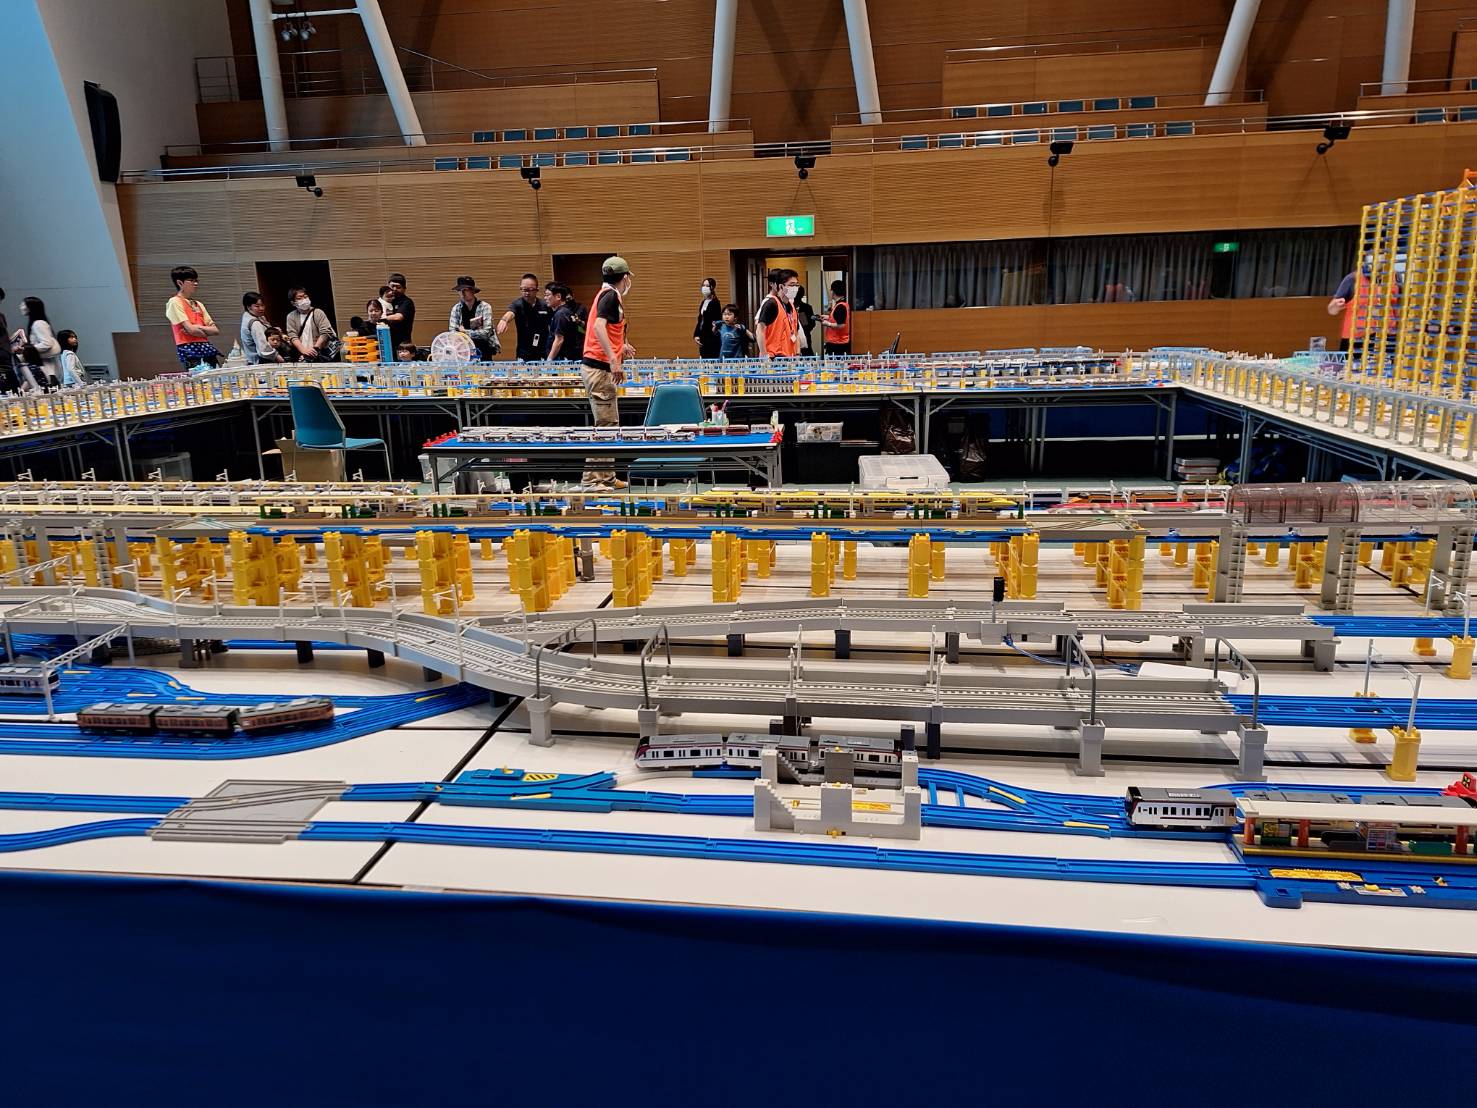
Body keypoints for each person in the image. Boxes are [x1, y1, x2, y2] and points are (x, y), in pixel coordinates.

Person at [580, 256, 635, 491]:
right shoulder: (610, 296)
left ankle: (608, 477)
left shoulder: (607, 295)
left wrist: (621, 346)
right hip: (600, 368)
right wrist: (614, 359)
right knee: (605, 426)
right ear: (625, 278)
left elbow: (607, 330)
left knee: (610, 424)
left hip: (598, 367)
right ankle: (592, 481)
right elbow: (598, 326)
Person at [1329, 265, 1396, 354]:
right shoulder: (1352, 279)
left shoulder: (1395, 278)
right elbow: (1331, 309)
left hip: (1387, 338)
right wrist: (1335, 306)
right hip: (1356, 340)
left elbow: (1398, 308)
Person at [165, 266, 221, 369]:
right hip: (189, 350)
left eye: (196, 280)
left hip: (206, 348)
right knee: (201, 378)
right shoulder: (174, 302)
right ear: (180, 283)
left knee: (217, 376)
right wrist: (203, 330)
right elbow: (191, 330)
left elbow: (215, 330)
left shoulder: (198, 304)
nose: (195, 284)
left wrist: (197, 328)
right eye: (191, 280)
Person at [497, 273, 553, 361]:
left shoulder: (545, 305)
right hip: (524, 351)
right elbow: (510, 312)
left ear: (537, 290)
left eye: (530, 290)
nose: (527, 293)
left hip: (543, 350)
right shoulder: (518, 304)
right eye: (524, 289)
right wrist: (504, 320)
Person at [15, 296, 63, 383]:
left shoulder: (38, 324)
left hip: (47, 370)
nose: (20, 306)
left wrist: (27, 349)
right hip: (48, 369)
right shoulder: (39, 323)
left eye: (23, 304)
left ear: (30, 307)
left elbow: (47, 343)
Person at [449, 276, 498, 361]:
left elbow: (486, 333)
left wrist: (465, 332)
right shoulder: (456, 308)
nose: (462, 293)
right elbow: (452, 332)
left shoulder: (485, 307)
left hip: (483, 349)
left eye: (465, 290)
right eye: (459, 290)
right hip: (463, 350)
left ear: (473, 291)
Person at [755, 268, 800, 360]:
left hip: (789, 356)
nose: (795, 288)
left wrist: (798, 354)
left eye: (796, 285)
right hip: (773, 357)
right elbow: (759, 330)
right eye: (792, 285)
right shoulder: (771, 304)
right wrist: (764, 355)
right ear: (781, 286)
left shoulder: (792, 306)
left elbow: (796, 332)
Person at [284, 287, 338, 362]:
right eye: (299, 298)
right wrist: (304, 351)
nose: (304, 299)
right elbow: (292, 335)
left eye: (305, 296)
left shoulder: (318, 313)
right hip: (301, 355)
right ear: (293, 303)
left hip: (319, 353)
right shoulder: (291, 316)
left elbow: (325, 332)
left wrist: (314, 350)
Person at [544, 282, 585, 362]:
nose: (545, 298)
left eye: (547, 295)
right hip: (569, 357)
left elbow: (559, 340)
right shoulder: (567, 311)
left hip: (563, 360)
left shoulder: (560, 314)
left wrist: (549, 361)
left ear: (558, 296)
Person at [239, 292, 279, 364]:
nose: (261, 308)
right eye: (257, 306)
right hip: (260, 361)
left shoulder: (251, 316)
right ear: (249, 307)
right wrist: (277, 357)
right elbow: (264, 348)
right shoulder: (255, 323)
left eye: (262, 305)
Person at [383, 273, 415, 350]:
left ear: (404, 289)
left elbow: (398, 317)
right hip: (385, 341)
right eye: (392, 286)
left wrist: (381, 318)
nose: (394, 289)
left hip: (402, 344)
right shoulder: (384, 301)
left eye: (398, 287)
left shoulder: (407, 302)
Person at [693, 276, 722, 360]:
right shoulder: (703, 302)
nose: (704, 288)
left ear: (712, 287)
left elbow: (715, 320)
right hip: (703, 337)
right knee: (704, 359)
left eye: (707, 285)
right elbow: (700, 320)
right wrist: (696, 335)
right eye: (703, 285)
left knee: (712, 360)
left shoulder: (715, 302)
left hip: (711, 337)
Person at [820, 280, 851, 356]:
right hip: (838, 342)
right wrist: (828, 317)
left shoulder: (840, 306)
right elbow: (837, 318)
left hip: (837, 343)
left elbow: (841, 325)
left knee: (835, 362)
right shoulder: (842, 304)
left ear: (833, 291)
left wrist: (828, 324)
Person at [794, 285, 817, 355]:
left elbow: (812, 323)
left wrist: (803, 328)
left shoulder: (807, 307)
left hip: (805, 337)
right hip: (792, 338)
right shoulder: (788, 307)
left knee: (807, 356)